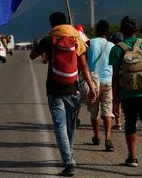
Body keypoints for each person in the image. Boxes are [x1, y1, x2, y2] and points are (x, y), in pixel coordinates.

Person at [29, 12, 97, 177]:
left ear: (52, 25)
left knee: (60, 126)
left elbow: (32, 56)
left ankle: (68, 161)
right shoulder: (76, 39)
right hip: (73, 89)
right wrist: (92, 86)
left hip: (55, 89)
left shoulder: (49, 40)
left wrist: (42, 47)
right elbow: (84, 67)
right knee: (70, 125)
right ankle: (70, 154)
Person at [109, 16, 142, 176]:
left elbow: (115, 76)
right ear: (137, 29)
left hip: (127, 93)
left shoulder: (117, 48)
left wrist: (116, 98)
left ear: (122, 31)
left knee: (130, 124)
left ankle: (132, 157)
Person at [86, 19, 115, 151]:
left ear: (97, 30)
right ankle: (108, 138)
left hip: (94, 81)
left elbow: (84, 62)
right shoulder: (112, 45)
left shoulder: (90, 43)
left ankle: (96, 136)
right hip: (108, 81)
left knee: (94, 111)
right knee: (107, 111)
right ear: (108, 32)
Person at [108, 30, 124, 131]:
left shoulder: (115, 49)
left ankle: (118, 123)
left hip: (118, 78)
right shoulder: (128, 48)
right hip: (129, 79)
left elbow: (114, 69)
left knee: (117, 101)